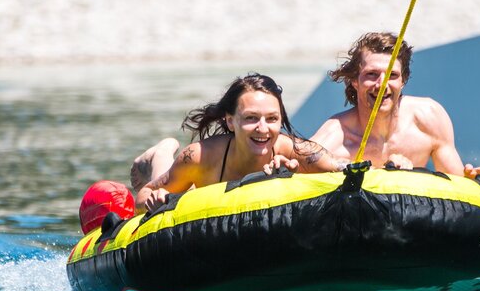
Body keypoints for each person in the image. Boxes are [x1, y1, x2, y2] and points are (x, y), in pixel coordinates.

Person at [311, 32, 480, 195]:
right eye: (371, 74)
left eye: (392, 75)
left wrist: (474, 181)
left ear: (403, 81)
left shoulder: (428, 118)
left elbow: (456, 185)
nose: (382, 85)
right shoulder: (335, 136)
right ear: (354, 80)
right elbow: (296, 166)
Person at [132, 73, 344, 212]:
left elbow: (347, 168)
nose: (262, 128)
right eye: (251, 118)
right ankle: (161, 152)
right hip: (195, 191)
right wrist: (157, 198)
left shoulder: (292, 150)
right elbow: (143, 196)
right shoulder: (200, 156)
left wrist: (295, 177)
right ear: (231, 121)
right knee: (175, 185)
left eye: (272, 119)